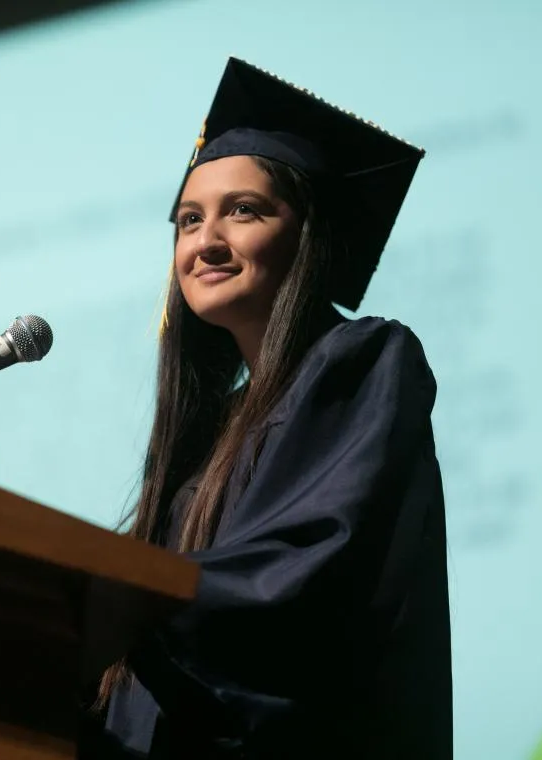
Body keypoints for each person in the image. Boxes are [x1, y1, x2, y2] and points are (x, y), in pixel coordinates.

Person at [80, 57, 452, 759]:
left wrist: (117, 605)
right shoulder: (203, 438)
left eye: (242, 210)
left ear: (306, 234)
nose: (205, 242)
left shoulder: (365, 361)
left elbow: (297, 576)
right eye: (189, 221)